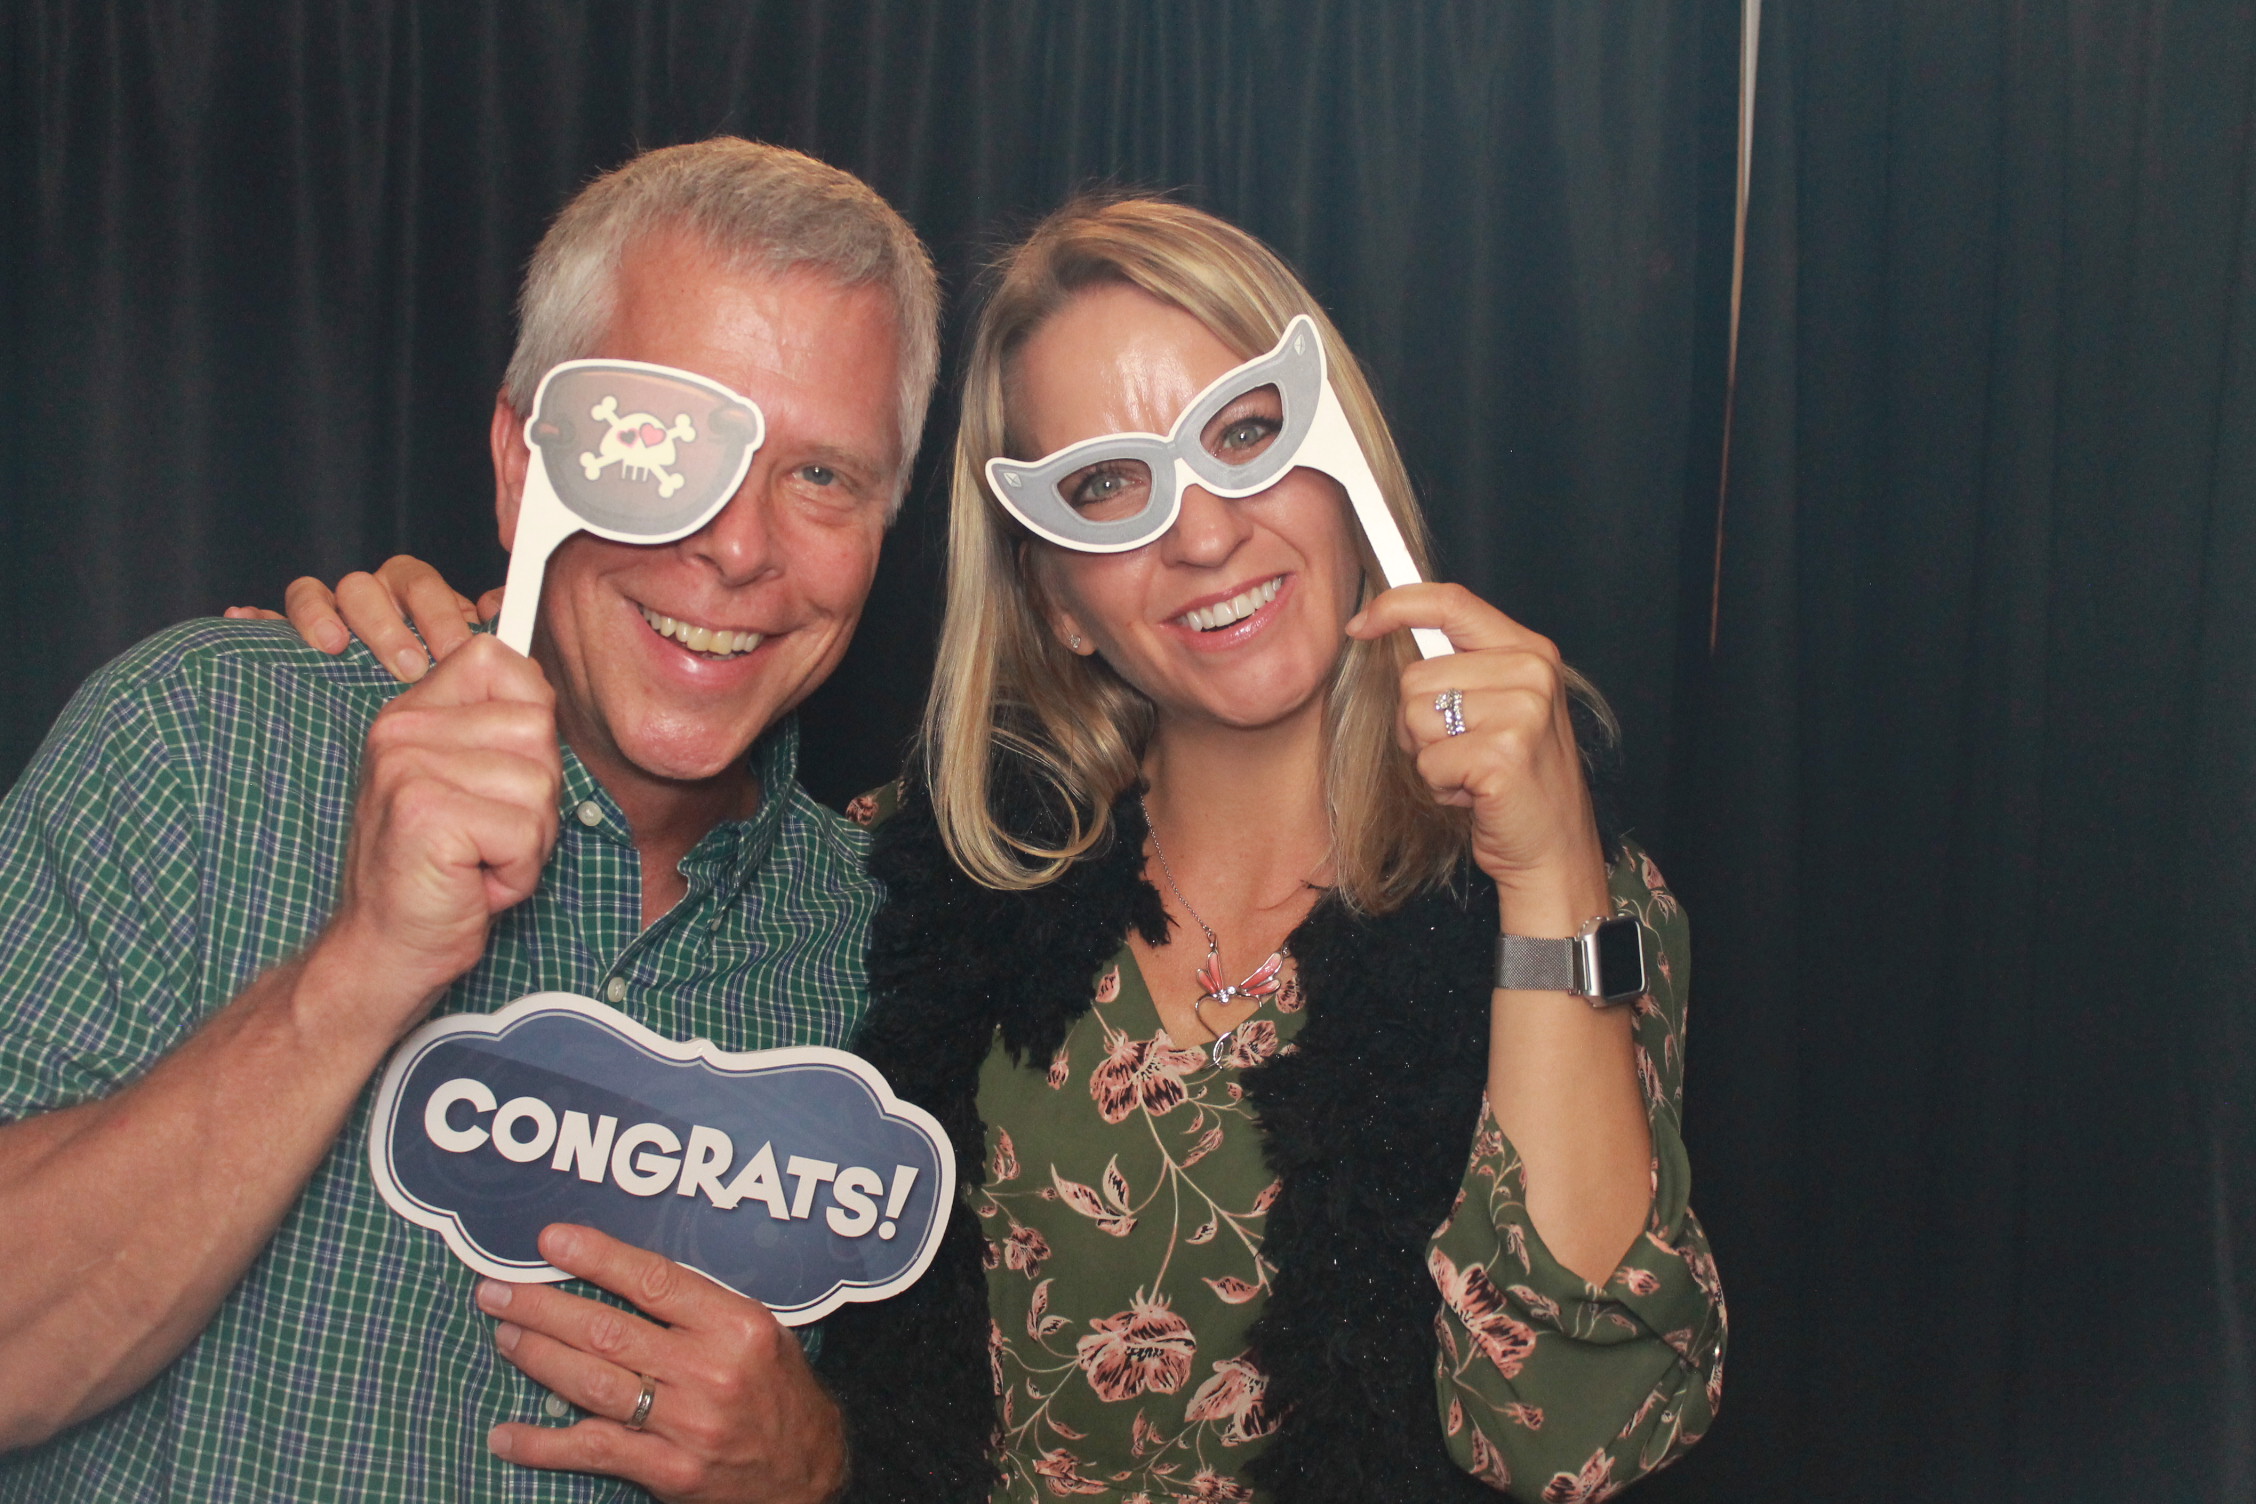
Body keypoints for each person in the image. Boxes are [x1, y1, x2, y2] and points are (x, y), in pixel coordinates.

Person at [290, 196, 1725, 1502]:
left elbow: (1572, 1435)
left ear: (1341, 465)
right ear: (1052, 599)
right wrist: (421, 639)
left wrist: (1544, 878)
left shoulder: (1575, 905)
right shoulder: (901, 897)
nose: (1205, 531)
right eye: (1107, 486)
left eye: (1244, 433)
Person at [0, 137, 937, 1503]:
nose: (739, 547)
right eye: (662, 441)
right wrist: (363, 963)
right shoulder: (198, 741)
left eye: (822, 478)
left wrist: (818, 1470)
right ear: (521, 463)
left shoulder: (896, 957)